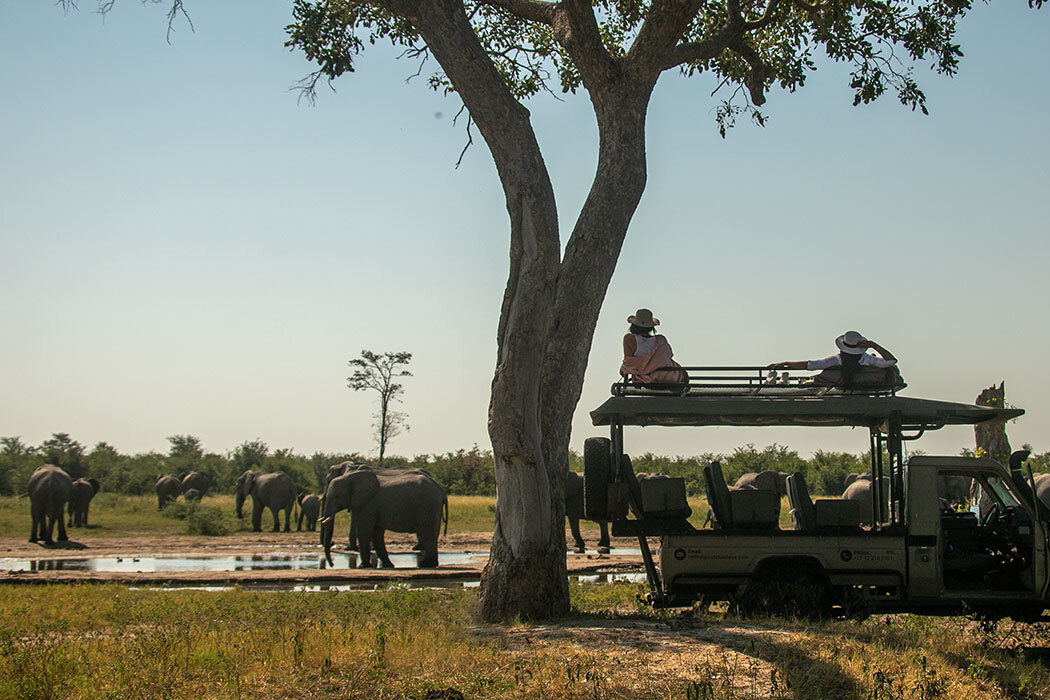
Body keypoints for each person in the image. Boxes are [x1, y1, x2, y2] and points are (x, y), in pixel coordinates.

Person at [768, 331, 899, 389]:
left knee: (820, 376)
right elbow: (891, 361)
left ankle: (783, 379)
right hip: (864, 387)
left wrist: (785, 363)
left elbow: (811, 365)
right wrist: (874, 346)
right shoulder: (868, 360)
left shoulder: (837, 360)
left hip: (843, 386)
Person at [620, 308, 685, 384]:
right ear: (651, 327)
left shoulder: (629, 339)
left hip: (644, 378)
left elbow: (629, 363)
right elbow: (665, 359)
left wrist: (623, 370)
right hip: (666, 376)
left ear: (634, 325)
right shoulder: (661, 340)